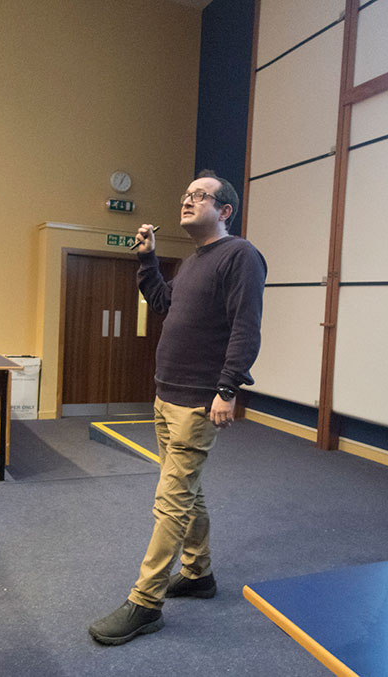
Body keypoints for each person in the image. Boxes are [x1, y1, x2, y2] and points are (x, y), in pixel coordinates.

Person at [88, 170, 267, 645]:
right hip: (166, 394)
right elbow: (164, 302)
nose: (187, 200)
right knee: (188, 490)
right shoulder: (192, 262)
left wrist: (228, 389)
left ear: (224, 210)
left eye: (200, 196)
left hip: (197, 399)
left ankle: (145, 603)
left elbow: (246, 328)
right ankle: (198, 573)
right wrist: (147, 260)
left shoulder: (240, 256)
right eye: (186, 193)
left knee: (171, 500)